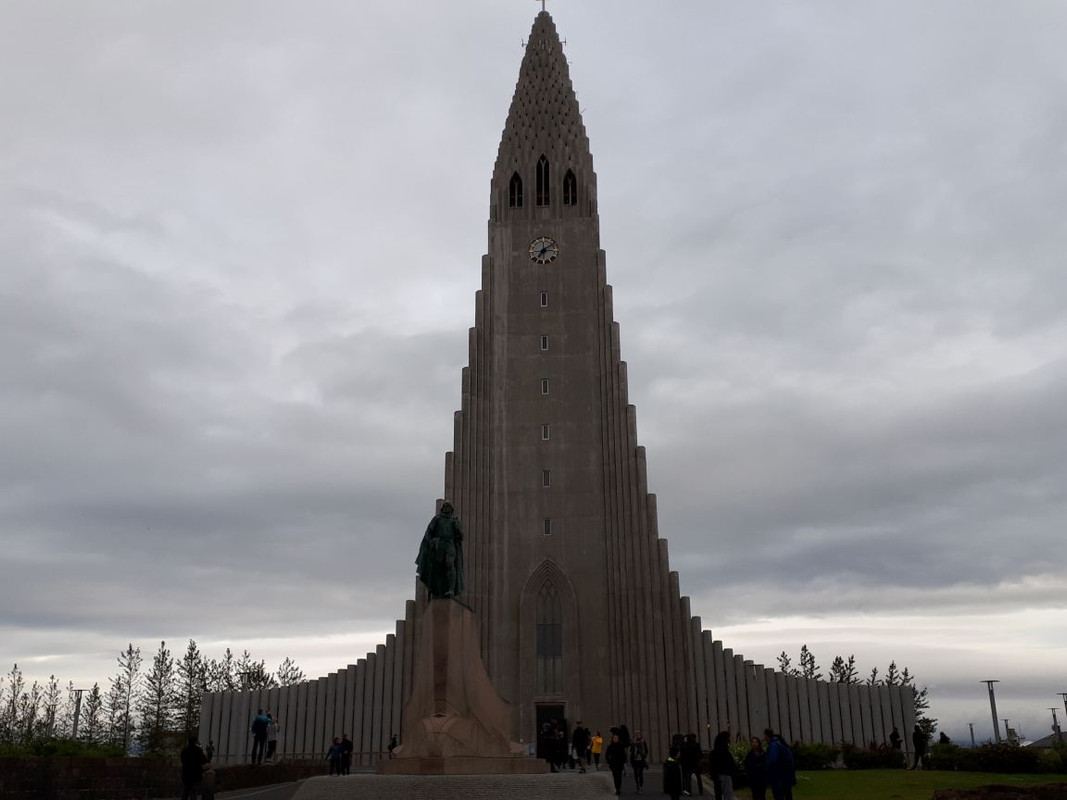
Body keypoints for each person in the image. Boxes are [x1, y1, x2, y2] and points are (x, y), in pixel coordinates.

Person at [416, 501, 464, 598]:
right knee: (438, 567)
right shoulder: (437, 519)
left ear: (451, 509)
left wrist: (457, 528)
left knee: (450, 564)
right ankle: (437, 590)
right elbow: (429, 532)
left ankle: (450, 589)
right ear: (442, 509)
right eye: (445, 506)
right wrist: (431, 542)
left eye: (448, 506)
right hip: (439, 544)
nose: (447, 508)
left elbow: (461, 537)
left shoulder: (454, 521)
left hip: (450, 544)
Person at [764, 728, 796, 800]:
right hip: (786, 776)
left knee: (778, 796)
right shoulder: (781, 743)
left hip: (777, 776)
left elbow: (773, 761)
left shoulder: (773, 745)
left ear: (766, 736)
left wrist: (768, 772)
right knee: (788, 795)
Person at [708, 731, 736, 800]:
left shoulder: (713, 753)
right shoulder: (726, 752)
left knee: (718, 795)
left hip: (716, 777)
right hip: (726, 775)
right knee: (728, 795)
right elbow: (731, 764)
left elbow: (711, 766)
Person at [605, 732, 628, 796]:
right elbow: (607, 755)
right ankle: (617, 788)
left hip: (620, 764)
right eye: (614, 738)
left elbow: (624, 755)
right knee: (615, 777)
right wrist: (609, 762)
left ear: (618, 739)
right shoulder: (610, 746)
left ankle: (618, 788)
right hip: (613, 764)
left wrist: (624, 761)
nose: (615, 739)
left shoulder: (621, 746)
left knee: (619, 777)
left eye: (616, 738)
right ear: (612, 739)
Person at [629, 729, 649, 794]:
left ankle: (641, 787)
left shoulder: (643, 742)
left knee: (640, 774)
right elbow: (631, 750)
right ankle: (637, 785)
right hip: (634, 760)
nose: (637, 735)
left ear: (640, 735)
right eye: (636, 734)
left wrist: (644, 755)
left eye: (638, 734)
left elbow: (646, 750)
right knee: (635, 774)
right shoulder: (632, 742)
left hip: (641, 760)